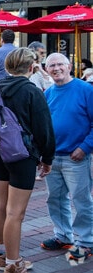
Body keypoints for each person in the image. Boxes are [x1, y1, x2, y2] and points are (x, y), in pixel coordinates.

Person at [0, 47, 54, 273]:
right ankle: (14, 263)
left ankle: (3, 256)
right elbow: (44, 130)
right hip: (22, 155)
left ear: (7, 67)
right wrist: (46, 157)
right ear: (32, 67)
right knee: (16, 212)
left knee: (1, 206)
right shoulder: (33, 92)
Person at [40, 52, 93, 260]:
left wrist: (85, 147)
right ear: (46, 69)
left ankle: (87, 241)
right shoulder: (48, 93)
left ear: (69, 66)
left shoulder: (86, 90)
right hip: (53, 157)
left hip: (76, 157)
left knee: (81, 201)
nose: (56, 69)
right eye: (51, 66)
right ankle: (63, 236)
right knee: (55, 199)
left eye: (60, 64)